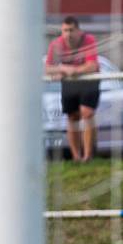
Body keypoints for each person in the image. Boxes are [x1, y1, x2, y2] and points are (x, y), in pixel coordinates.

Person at [45, 16, 100, 162]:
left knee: (87, 113)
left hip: (89, 81)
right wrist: (62, 69)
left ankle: (88, 156)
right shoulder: (56, 45)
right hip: (70, 83)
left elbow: (92, 66)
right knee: (72, 116)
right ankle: (76, 157)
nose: (68, 34)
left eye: (71, 30)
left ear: (78, 31)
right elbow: (48, 68)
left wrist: (73, 70)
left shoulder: (89, 40)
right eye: (65, 30)